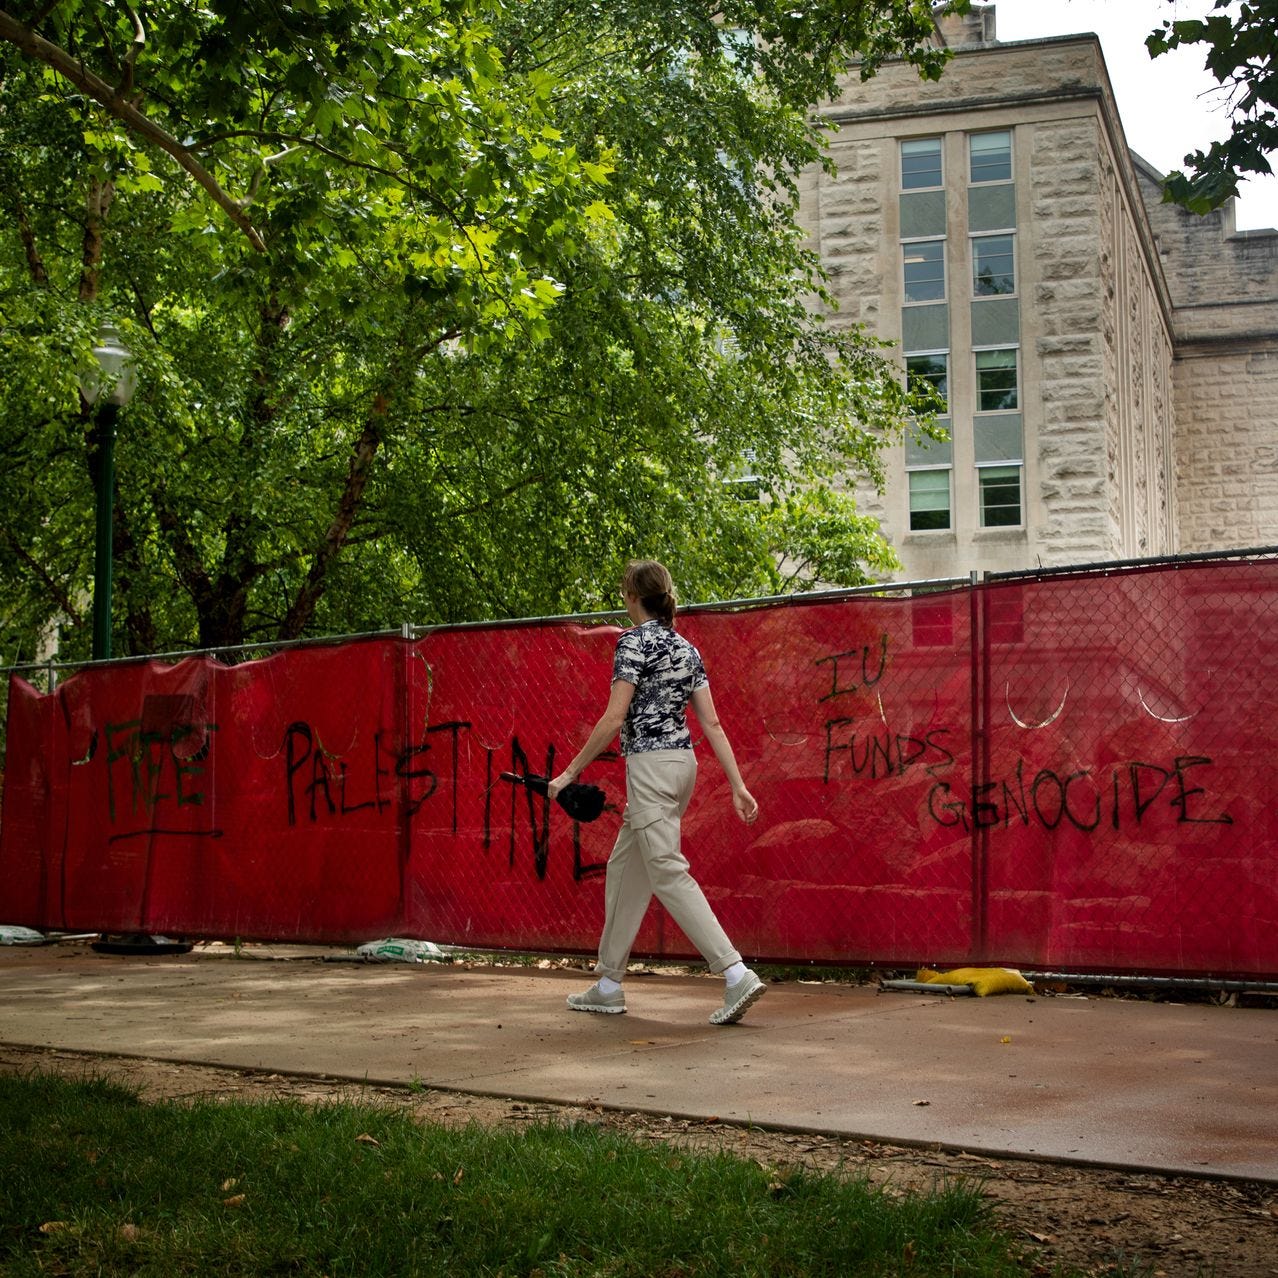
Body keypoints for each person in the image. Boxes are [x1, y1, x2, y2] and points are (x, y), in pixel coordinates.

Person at [548, 559, 766, 1025]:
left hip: (649, 770)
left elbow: (612, 718)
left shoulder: (632, 642)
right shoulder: (688, 650)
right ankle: (608, 984)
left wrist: (568, 772)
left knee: (666, 870)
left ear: (632, 596)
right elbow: (711, 723)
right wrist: (737, 784)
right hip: (682, 768)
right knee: (626, 867)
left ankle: (734, 973)